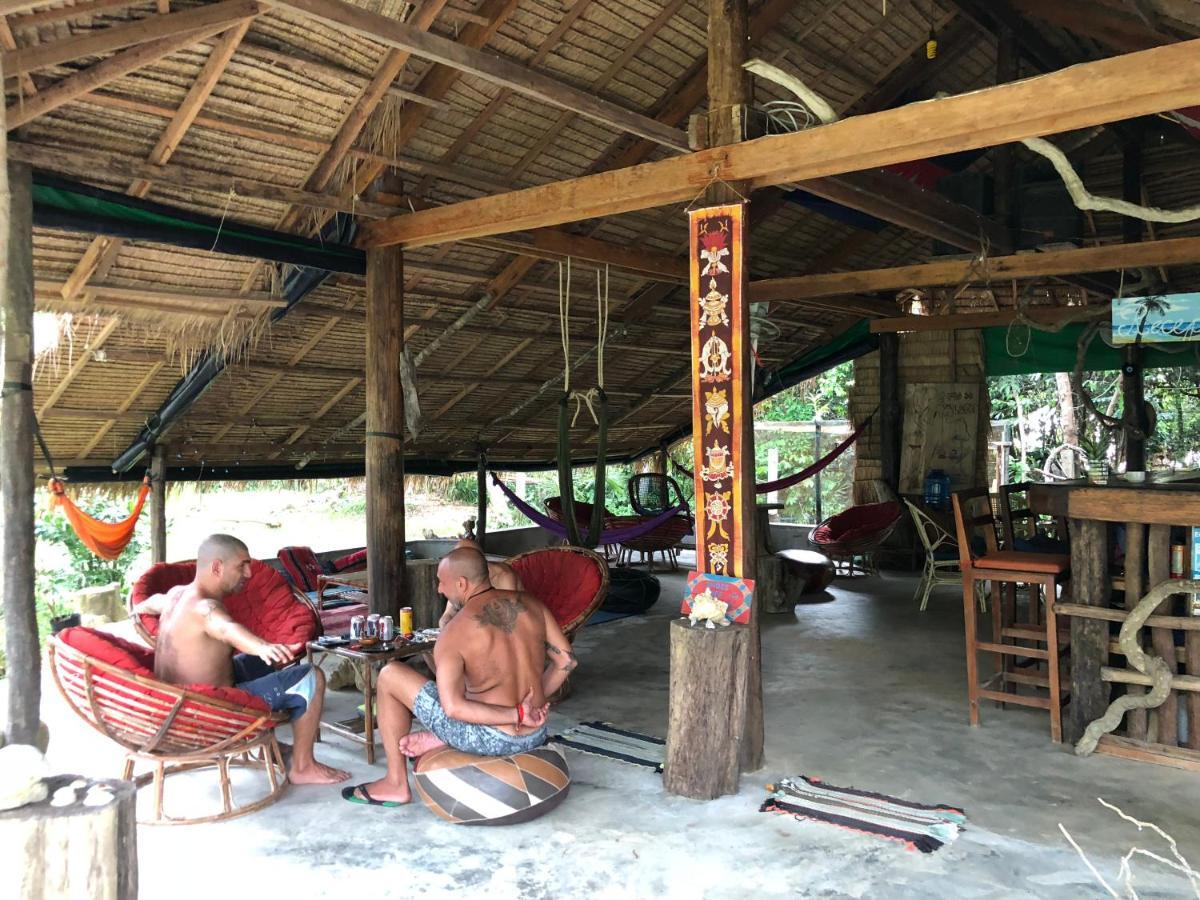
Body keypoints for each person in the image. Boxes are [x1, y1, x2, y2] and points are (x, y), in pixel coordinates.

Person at [342, 546, 576, 807]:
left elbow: (453, 708)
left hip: (491, 737)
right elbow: (566, 661)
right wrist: (532, 707)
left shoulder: (454, 632)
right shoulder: (533, 605)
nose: (440, 590)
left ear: (461, 583)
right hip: (536, 731)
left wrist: (517, 714)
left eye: (441, 583)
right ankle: (438, 740)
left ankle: (395, 783)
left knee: (390, 674)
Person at [131, 534, 349, 786]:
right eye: (242, 565)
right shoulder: (206, 608)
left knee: (267, 663)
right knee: (312, 676)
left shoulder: (175, 595)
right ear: (217, 567)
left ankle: (269, 746)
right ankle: (303, 766)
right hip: (209, 712)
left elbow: (148, 604)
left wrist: (138, 609)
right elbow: (226, 628)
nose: (248, 573)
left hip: (182, 703)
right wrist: (263, 646)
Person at [437, 538, 525, 628]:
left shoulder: (504, 576)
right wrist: (446, 625)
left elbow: (510, 622)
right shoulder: (460, 577)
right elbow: (447, 615)